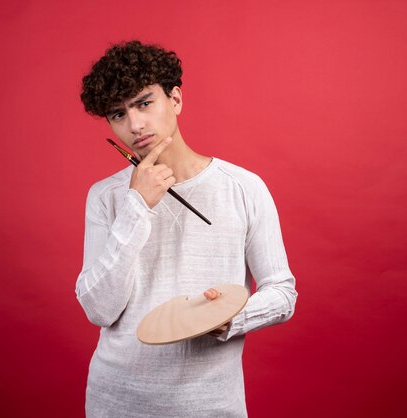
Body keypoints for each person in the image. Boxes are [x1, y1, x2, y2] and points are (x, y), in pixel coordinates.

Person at [76, 40, 297, 417]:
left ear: (175, 99)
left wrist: (231, 318)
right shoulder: (107, 197)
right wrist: (137, 206)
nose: (134, 124)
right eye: (118, 114)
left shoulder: (243, 187)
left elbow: (282, 292)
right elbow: (99, 309)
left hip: (208, 403)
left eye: (144, 103)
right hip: (118, 400)